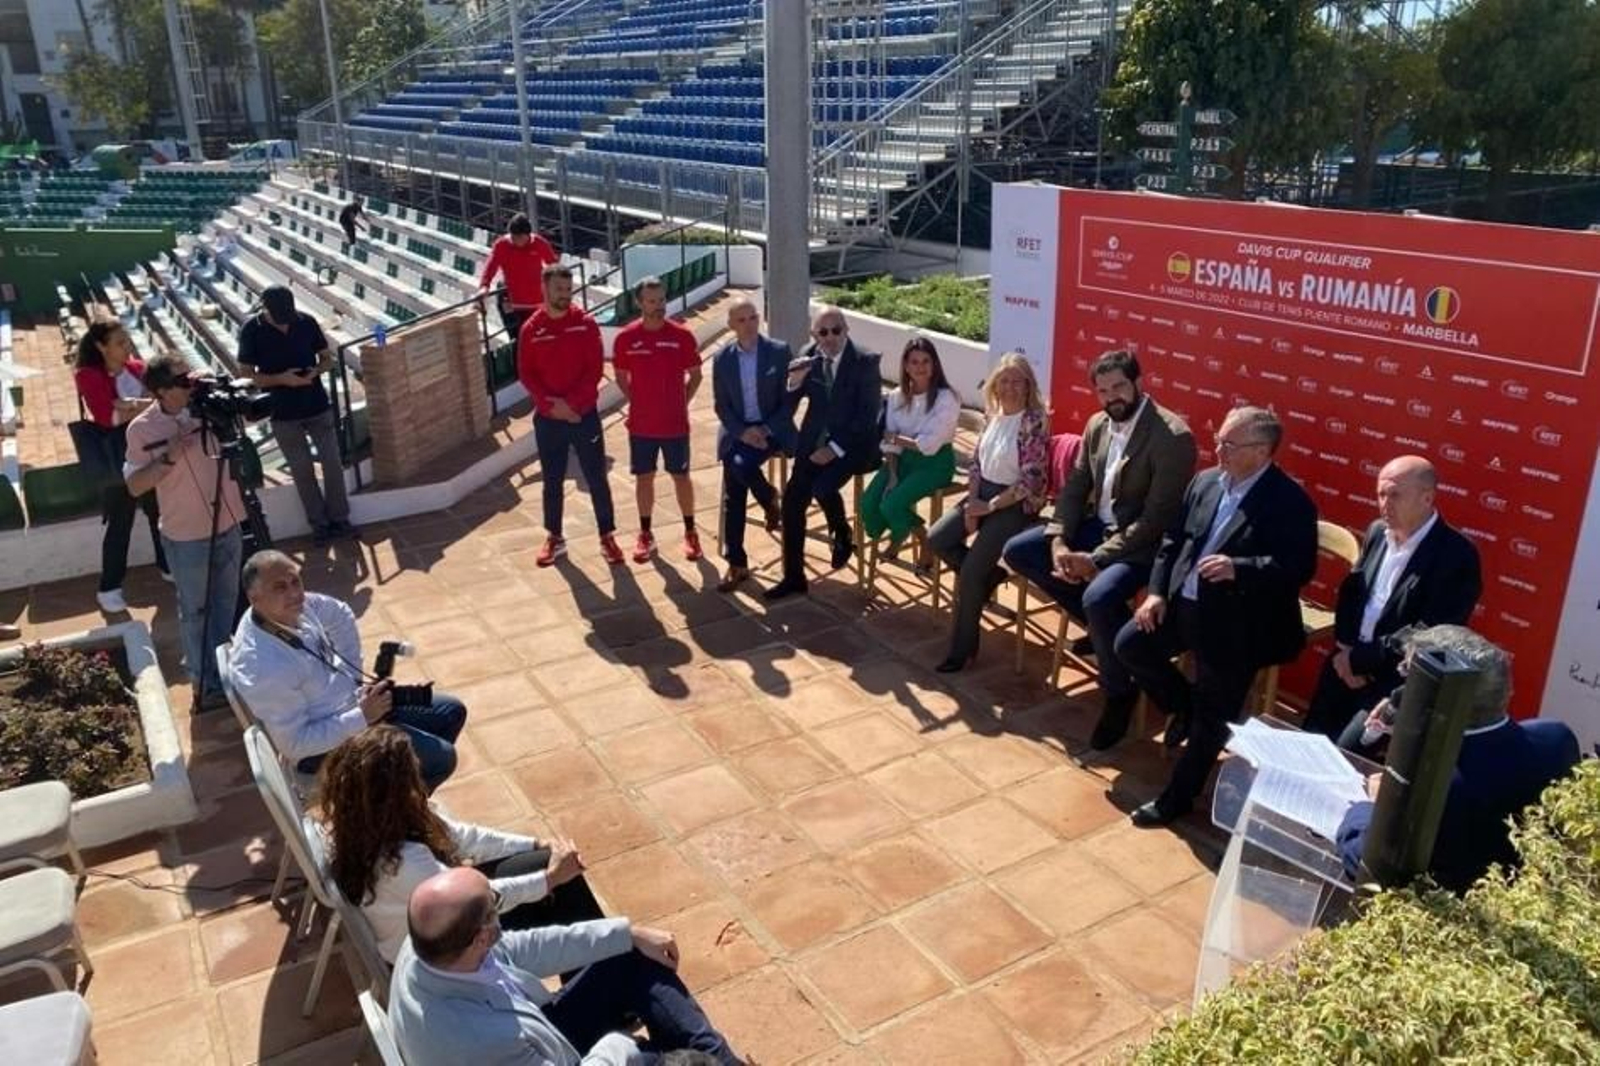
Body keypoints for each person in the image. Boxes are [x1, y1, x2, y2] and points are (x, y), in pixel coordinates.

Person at [1115, 406, 1318, 827]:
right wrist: (1156, 592)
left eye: (1229, 444)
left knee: (1216, 710)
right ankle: (1183, 706)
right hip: (1181, 606)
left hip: (1237, 623)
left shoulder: (1289, 502)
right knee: (1130, 645)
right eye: (1218, 439)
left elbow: (1297, 568)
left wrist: (1239, 568)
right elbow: (1172, 540)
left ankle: (1178, 797)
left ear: (1261, 451)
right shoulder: (1205, 482)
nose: (1218, 450)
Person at [1002, 349, 1196, 750]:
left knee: (1098, 597)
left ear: (1139, 383)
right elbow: (1076, 488)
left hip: (1143, 545)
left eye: (1119, 387)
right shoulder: (1097, 424)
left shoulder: (1172, 437)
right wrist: (1058, 539)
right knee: (1020, 551)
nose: (1112, 397)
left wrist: (1095, 559)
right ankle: (1109, 637)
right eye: (1103, 391)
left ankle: (1120, 691)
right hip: (1096, 528)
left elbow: (1155, 520)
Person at [389, 867, 740, 1065]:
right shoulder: (479, 1042)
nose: (501, 905)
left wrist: (627, 934)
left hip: (540, 1033)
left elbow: (526, 947)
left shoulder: (429, 942)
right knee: (686, 1061)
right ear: (482, 936)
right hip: (556, 1055)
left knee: (628, 956)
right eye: (495, 904)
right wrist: (618, 1043)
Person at [318, 725, 604, 963]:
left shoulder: (355, 825)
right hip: (442, 954)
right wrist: (551, 878)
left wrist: (534, 844)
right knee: (563, 887)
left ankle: (603, 972)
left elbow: (464, 837)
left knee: (544, 864)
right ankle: (604, 980)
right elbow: (479, 901)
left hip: (438, 922)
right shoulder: (404, 863)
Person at [1335, 625, 1580, 892]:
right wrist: (1414, 730)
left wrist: (1369, 806)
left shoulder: (1429, 787)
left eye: (1409, 675)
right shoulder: (1558, 739)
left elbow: (1367, 864)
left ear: (1437, 697)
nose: (1402, 687)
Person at [228, 550, 468, 791]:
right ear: (254, 598)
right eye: (279, 587)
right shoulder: (263, 665)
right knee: (442, 759)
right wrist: (362, 716)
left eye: (295, 581)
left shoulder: (292, 608)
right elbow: (296, 745)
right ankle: (384, 806)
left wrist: (354, 679)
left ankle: (401, 794)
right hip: (322, 752)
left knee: (451, 711)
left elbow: (341, 614)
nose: (294, 593)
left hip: (352, 708)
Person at [1303, 456, 1482, 753]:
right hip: (1345, 662)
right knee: (1308, 743)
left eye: (1395, 495)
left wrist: (1360, 661)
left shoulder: (1457, 557)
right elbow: (1352, 593)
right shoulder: (1377, 532)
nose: (1384, 504)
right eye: (1381, 494)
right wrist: (1345, 649)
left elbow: (1430, 634)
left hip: (1393, 684)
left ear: (1427, 498)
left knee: (1345, 756)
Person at [123, 354, 248, 713]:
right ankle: (204, 683)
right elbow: (134, 485)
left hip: (228, 521)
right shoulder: (141, 429)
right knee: (196, 612)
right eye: (182, 382)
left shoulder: (208, 407)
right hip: (186, 535)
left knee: (226, 604)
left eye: (190, 378)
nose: (190, 386)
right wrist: (170, 456)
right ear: (161, 391)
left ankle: (223, 674)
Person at [926, 353, 1051, 672]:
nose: (1010, 387)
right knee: (938, 538)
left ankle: (962, 650)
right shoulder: (992, 414)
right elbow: (976, 464)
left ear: (1028, 386)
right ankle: (990, 577)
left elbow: (1031, 480)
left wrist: (990, 506)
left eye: (1018, 381)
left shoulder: (1034, 421)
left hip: (1014, 503)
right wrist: (972, 504)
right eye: (1004, 381)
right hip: (982, 493)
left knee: (969, 575)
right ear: (994, 385)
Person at [764, 306, 883, 600]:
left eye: (836, 330)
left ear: (846, 330)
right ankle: (793, 577)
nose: (830, 338)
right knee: (792, 503)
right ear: (814, 334)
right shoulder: (809, 356)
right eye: (823, 332)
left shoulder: (865, 361)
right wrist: (794, 382)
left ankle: (841, 532)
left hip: (854, 444)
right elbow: (789, 405)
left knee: (823, 486)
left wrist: (834, 449)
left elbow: (867, 416)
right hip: (814, 442)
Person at [520, 264, 624, 568]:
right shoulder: (531, 329)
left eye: (568, 289)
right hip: (549, 418)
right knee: (552, 481)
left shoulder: (585, 324)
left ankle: (607, 536)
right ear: (545, 289)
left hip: (583, 416)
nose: (565, 295)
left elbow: (594, 370)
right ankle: (554, 537)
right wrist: (552, 406)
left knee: (596, 477)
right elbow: (527, 374)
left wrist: (573, 406)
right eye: (559, 289)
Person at [237, 285, 355, 546]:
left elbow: (326, 359)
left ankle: (340, 519)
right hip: (282, 412)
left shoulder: (306, 322)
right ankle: (319, 525)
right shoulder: (251, 330)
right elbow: (246, 374)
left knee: (332, 463)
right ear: (264, 308)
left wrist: (315, 371)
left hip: (317, 405)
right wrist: (281, 379)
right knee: (302, 471)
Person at [73, 321, 170, 613]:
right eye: (119, 342)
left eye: (126, 340)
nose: (127, 346)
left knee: (159, 514)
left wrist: (126, 404)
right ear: (101, 347)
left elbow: (160, 404)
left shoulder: (138, 369)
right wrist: (139, 405)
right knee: (120, 522)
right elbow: (107, 418)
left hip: (147, 452)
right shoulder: (88, 375)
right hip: (117, 458)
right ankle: (109, 587)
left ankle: (167, 565)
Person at [613, 276, 704, 564]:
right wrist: (638, 401)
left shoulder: (682, 336)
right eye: (652, 301)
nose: (659, 306)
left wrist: (680, 403)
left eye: (662, 300)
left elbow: (696, 375)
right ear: (639, 303)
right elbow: (620, 376)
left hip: (675, 426)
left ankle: (690, 532)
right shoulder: (626, 338)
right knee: (644, 478)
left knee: (681, 477)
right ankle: (645, 534)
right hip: (641, 426)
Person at [710, 298, 796, 594]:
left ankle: (737, 562)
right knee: (736, 478)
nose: (749, 325)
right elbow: (721, 406)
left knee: (737, 472)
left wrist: (765, 429)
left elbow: (789, 401)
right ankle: (768, 499)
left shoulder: (779, 352)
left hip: (773, 428)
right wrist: (743, 432)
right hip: (740, 430)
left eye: (753, 318)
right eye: (741, 320)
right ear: (731, 325)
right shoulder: (722, 359)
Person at [859, 335, 960, 556]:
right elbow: (890, 441)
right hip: (902, 459)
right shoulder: (897, 396)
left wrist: (895, 438)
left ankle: (922, 541)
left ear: (934, 364)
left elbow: (929, 445)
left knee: (891, 504)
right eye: (914, 362)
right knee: (868, 503)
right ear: (905, 366)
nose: (920, 367)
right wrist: (893, 473)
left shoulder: (947, 398)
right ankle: (907, 533)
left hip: (935, 464)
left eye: (925, 361)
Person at [478, 212, 559, 362]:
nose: (517, 242)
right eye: (514, 238)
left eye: (520, 238)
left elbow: (553, 265)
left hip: (535, 303)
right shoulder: (502, 245)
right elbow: (491, 266)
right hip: (512, 303)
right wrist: (484, 285)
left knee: (537, 338)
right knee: (518, 340)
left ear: (528, 235)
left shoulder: (539, 243)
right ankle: (521, 370)